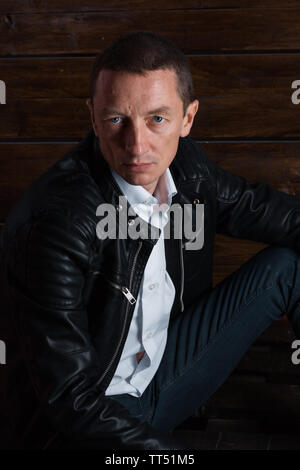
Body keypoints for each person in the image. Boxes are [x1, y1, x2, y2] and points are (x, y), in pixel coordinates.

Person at [0, 31, 300, 451]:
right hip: (89, 424)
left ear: (187, 118)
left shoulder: (188, 169)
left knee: (289, 267)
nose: (137, 145)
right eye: (116, 119)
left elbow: (271, 214)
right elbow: (69, 399)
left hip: (166, 374)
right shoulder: (56, 224)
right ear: (93, 118)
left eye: (157, 119)